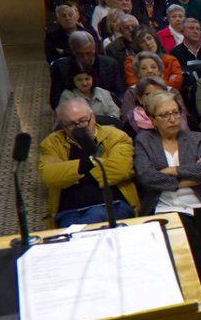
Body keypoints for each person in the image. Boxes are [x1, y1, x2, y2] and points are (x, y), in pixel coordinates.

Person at [134, 91, 201, 319]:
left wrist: (171, 172)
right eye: (165, 115)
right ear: (153, 119)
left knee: (182, 226)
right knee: (181, 224)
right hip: (162, 207)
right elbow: (146, 177)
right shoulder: (144, 141)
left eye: (175, 113)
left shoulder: (196, 138)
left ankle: (197, 299)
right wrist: (187, 178)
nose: (172, 119)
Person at [40, 98, 138, 227]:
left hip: (114, 204)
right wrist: (88, 163)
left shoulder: (116, 136)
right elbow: (50, 176)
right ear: (63, 126)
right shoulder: (51, 143)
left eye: (83, 120)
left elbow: (121, 169)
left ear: (93, 116)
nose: (81, 127)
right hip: (70, 211)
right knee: (79, 224)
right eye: (72, 124)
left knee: (94, 215)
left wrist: (72, 173)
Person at [50, 31, 123, 109]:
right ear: (73, 51)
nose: (85, 58)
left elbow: (119, 94)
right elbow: (55, 101)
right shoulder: (61, 67)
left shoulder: (110, 64)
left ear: (94, 49)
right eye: (80, 54)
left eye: (89, 53)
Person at [122, 74, 190, 134]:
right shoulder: (132, 120)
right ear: (140, 99)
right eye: (149, 94)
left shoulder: (178, 113)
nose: (154, 97)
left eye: (159, 93)